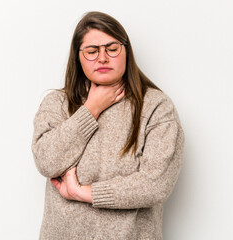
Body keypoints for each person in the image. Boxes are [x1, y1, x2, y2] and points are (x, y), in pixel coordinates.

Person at [31, 11, 185, 240]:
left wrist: (83, 193)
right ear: (78, 57)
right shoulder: (57, 103)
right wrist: (91, 109)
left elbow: (155, 184)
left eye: (112, 49)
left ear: (126, 52)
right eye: (92, 52)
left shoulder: (156, 107)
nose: (102, 58)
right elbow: (46, 161)